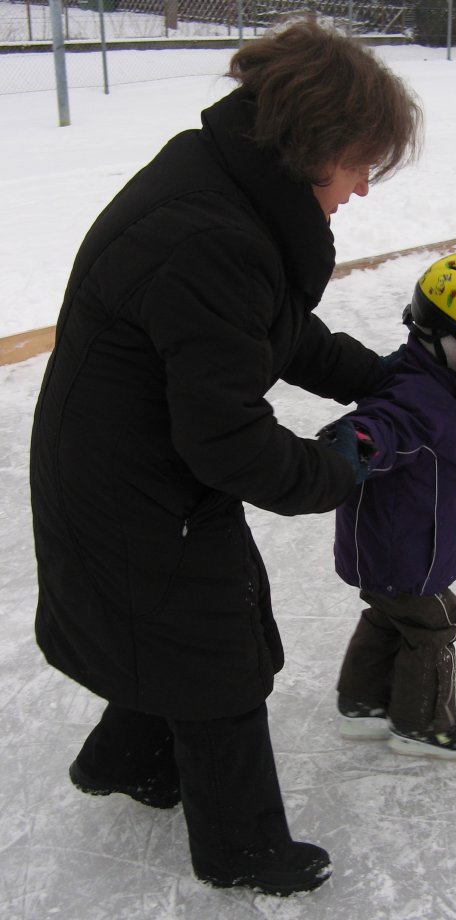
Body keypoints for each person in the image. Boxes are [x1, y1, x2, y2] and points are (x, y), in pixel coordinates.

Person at [29, 18, 421, 897]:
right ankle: (239, 847)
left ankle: (123, 757)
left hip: (122, 461)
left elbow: (259, 327)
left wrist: (376, 377)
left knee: (178, 626)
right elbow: (229, 443)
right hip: (135, 480)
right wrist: (347, 458)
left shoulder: (226, 184)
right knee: (215, 653)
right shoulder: (215, 234)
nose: (361, 189)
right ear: (315, 140)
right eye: (361, 164)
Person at [319, 252, 456, 761]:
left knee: (389, 615)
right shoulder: (421, 401)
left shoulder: (452, 391)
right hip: (405, 553)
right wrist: (353, 444)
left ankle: (360, 701)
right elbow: (384, 427)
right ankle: (422, 724)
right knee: (436, 622)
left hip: (399, 548)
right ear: (454, 348)